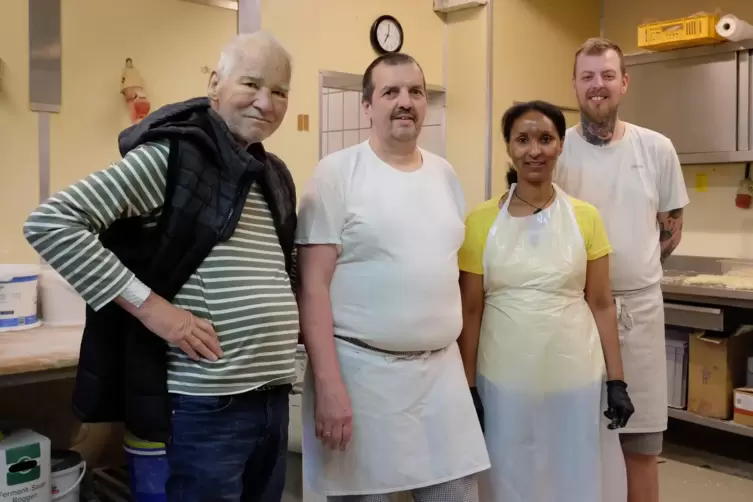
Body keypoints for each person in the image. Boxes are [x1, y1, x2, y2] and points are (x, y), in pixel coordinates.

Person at [23, 32, 299, 502]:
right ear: (215, 83)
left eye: (280, 92)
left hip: (272, 398)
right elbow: (51, 223)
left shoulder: (272, 173)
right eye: (251, 84)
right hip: (206, 408)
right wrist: (155, 311)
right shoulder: (171, 158)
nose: (265, 102)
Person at [295, 52, 490, 502]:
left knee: (456, 493)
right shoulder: (336, 174)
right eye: (390, 92)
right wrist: (328, 386)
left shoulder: (444, 174)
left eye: (415, 92)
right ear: (367, 105)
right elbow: (313, 288)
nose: (405, 102)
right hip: (363, 380)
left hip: (441, 379)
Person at [458, 100, 634, 502]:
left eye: (545, 139)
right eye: (522, 139)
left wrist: (617, 380)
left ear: (559, 147)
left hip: (575, 378)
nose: (534, 149)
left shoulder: (585, 217)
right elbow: (471, 310)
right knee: (509, 475)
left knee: (574, 472)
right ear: (509, 148)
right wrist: (468, 386)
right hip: (504, 379)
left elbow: (602, 302)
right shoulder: (480, 221)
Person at [554, 38, 690, 502]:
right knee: (576, 441)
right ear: (573, 85)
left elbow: (670, 231)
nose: (598, 86)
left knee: (642, 446)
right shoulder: (556, 151)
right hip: (572, 315)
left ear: (624, 83)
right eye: (588, 76)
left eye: (608, 75)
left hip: (640, 314)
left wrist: (632, 272)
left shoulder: (656, 149)